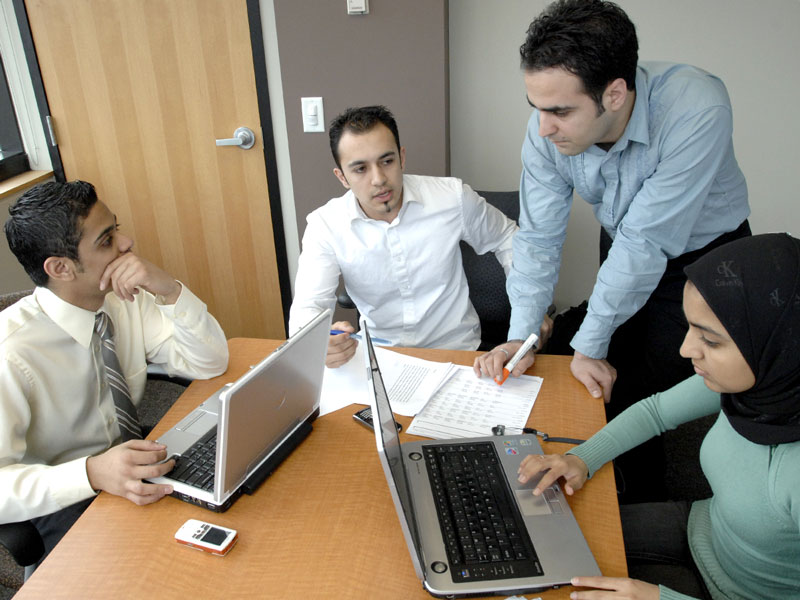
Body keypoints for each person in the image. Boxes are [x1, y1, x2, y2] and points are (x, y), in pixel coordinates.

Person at [473, 0, 750, 502]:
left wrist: (592, 344)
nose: (543, 129)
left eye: (560, 111)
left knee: (641, 386)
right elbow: (537, 239)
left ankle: (642, 503)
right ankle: (600, 476)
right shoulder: (545, 132)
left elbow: (650, 240)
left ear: (615, 94)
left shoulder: (696, 107)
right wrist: (521, 338)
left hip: (707, 259)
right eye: (535, 107)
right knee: (579, 364)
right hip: (626, 241)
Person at [517, 233, 800, 599]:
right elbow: (654, 412)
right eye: (690, 329)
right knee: (530, 538)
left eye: (710, 340)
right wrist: (581, 458)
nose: (686, 350)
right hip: (700, 529)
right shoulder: (758, 383)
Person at [0, 180, 229, 562]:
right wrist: (90, 474)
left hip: (131, 454)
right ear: (60, 268)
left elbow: (208, 363)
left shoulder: (120, 299)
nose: (127, 243)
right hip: (64, 489)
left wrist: (170, 290)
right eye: (106, 240)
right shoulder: (11, 353)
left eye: (117, 229)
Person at [289, 105, 543, 368]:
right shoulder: (325, 226)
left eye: (387, 161)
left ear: (402, 157)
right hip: (381, 357)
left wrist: (528, 307)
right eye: (360, 169)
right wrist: (319, 343)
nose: (378, 179)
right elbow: (309, 305)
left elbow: (509, 238)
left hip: (459, 352)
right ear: (342, 177)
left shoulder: (451, 197)